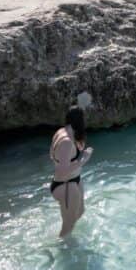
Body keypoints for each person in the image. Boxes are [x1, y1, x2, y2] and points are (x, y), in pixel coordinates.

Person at [49, 96, 94, 238]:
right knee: (68, 226)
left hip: (74, 181)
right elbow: (61, 172)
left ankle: (68, 244)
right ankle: (62, 251)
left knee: (79, 212)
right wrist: (83, 160)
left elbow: (52, 155)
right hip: (66, 185)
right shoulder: (66, 142)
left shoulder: (63, 132)